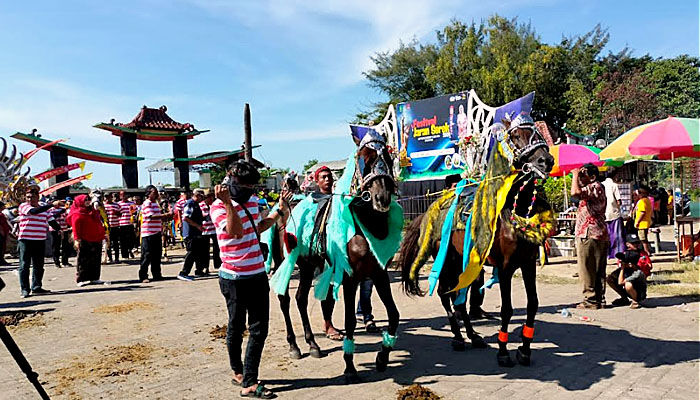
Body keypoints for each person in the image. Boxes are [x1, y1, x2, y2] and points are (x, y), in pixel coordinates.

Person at [211, 160, 291, 398]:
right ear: (231, 181)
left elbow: (258, 227)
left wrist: (279, 210)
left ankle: (249, 380)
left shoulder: (254, 202)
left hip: (257, 274)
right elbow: (235, 231)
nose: (250, 192)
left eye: (252, 187)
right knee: (236, 326)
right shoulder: (217, 207)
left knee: (259, 329)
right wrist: (228, 203)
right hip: (233, 277)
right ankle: (238, 371)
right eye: (245, 187)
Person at [571, 164, 609, 309]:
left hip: (589, 233)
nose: (580, 178)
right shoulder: (595, 188)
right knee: (598, 268)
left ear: (592, 177)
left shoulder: (594, 187)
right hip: (598, 233)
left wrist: (574, 174)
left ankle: (591, 299)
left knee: (587, 268)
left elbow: (575, 193)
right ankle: (599, 298)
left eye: (583, 175)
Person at [313, 166, 344, 341]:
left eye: (329, 176)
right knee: (327, 287)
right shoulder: (314, 200)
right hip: (320, 249)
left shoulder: (339, 199)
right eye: (323, 177)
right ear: (317, 181)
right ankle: (327, 323)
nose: (327, 179)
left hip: (339, 249)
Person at [17, 187, 63, 298]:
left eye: (32, 197)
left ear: (38, 197)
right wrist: (52, 205)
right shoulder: (24, 206)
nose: (29, 199)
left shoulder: (44, 209)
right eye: (28, 197)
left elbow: (51, 221)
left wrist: (59, 229)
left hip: (40, 240)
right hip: (25, 240)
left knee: (39, 265)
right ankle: (25, 289)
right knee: (24, 265)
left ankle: (36, 287)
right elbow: (33, 212)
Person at [67, 195, 107, 286]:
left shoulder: (93, 211)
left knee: (96, 259)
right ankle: (81, 279)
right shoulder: (77, 213)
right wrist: (77, 240)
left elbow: (98, 223)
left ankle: (95, 277)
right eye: (86, 200)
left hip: (96, 238)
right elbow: (75, 228)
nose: (88, 201)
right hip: (84, 239)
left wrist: (103, 234)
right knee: (83, 259)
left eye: (89, 199)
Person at [606, 233, 652, 309]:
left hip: (638, 282)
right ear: (627, 244)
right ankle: (624, 298)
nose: (636, 245)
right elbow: (620, 266)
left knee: (628, 284)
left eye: (637, 242)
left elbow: (648, 268)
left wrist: (635, 266)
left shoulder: (642, 254)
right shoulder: (625, 254)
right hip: (627, 274)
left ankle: (635, 300)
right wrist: (624, 266)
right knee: (610, 278)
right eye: (633, 243)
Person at [139, 186, 172, 283]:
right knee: (147, 255)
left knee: (157, 255)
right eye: (154, 192)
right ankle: (143, 275)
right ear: (148, 193)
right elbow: (151, 216)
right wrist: (165, 215)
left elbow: (159, 215)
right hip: (148, 233)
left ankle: (157, 274)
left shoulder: (156, 204)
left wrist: (166, 215)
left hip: (157, 232)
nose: (157, 194)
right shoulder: (147, 203)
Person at [178, 189, 207, 281]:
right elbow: (186, 217)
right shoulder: (190, 204)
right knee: (191, 252)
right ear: (197, 195)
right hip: (190, 233)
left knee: (198, 252)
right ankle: (184, 272)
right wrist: (197, 226)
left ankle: (199, 270)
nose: (203, 199)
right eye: (202, 197)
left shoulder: (196, 204)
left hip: (196, 233)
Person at [602, 170, 625, 259]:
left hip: (604, 214)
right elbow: (618, 201)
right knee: (617, 236)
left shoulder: (601, 185)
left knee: (606, 236)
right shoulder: (614, 185)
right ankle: (617, 254)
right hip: (614, 214)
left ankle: (607, 254)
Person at [200, 188, 220, 272]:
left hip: (214, 229)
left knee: (217, 248)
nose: (211, 198)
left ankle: (218, 265)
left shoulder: (214, 204)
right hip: (205, 230)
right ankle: (205, 266)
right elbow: (199, 216)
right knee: (205, 250)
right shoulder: (201, 205)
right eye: (208, 197)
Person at [48, 198, 69, 268]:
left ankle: (65, 261)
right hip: (54, 230)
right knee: (55, 246)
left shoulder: (64, 209)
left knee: (65, 246)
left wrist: (65, 214)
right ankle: (57, 262)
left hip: (64, 229)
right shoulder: (50, 210)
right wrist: (60, 212)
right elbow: (52, 218)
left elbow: (67, 218)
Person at [634, 187, 653, 256]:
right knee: (644, 238)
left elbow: (642, 212)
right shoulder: (647, 200)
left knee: (643, 239)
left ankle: (646, 252)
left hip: (642, 223)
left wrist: (637, 221)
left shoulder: (642, 201)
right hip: (646, 222)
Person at [104, 192, 122, 263]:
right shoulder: (103, 206)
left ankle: (117, 258)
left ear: (111, 197)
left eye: (108, 197)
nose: (107, 198)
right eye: (106, 197)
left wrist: (116, 213)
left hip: (115, 226)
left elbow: (120, 214)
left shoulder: (116, 205)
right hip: (107, 227)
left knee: (115, 243)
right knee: (108, 243)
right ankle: (110, 258)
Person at [118, 191, 135, 259]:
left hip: (130, 223)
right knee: (123, 240)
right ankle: (125, 255)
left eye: (124, 195)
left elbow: (134, 212)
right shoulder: (118, 204)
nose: (123, 196)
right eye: (122, 195)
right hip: (122, 224)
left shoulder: (132, 203)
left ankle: (130, 249)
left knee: (131, 239)